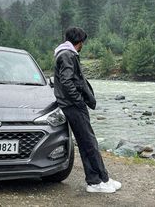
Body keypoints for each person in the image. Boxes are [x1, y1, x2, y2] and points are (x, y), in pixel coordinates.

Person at [54, 27, 121, 193]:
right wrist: (79, 102)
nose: (83, 44)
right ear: (79, 42)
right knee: (90, 143)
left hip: (71, 106)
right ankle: (101, 181)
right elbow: (67, 81)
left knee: (85, 143)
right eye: (83, 41)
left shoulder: (65, 54)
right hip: (73, 107)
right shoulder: (67, 55)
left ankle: (95, 180)